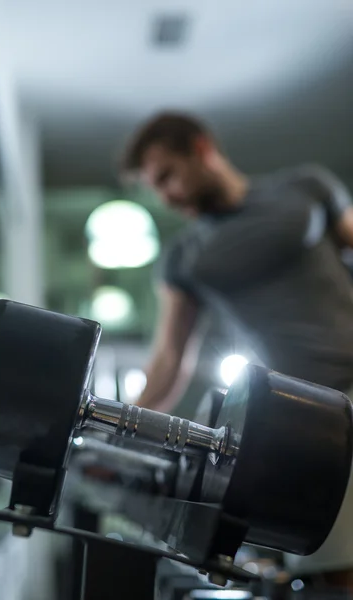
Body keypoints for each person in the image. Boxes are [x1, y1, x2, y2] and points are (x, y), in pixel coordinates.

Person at [120, 112, 353, 587]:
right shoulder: (183, 257)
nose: (166, 196)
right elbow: (168, 361)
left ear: (201, 149)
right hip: (305, 422)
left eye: (167, 176)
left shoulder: (306, 187)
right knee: (337, 572)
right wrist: (118, 433)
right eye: (154, 187)